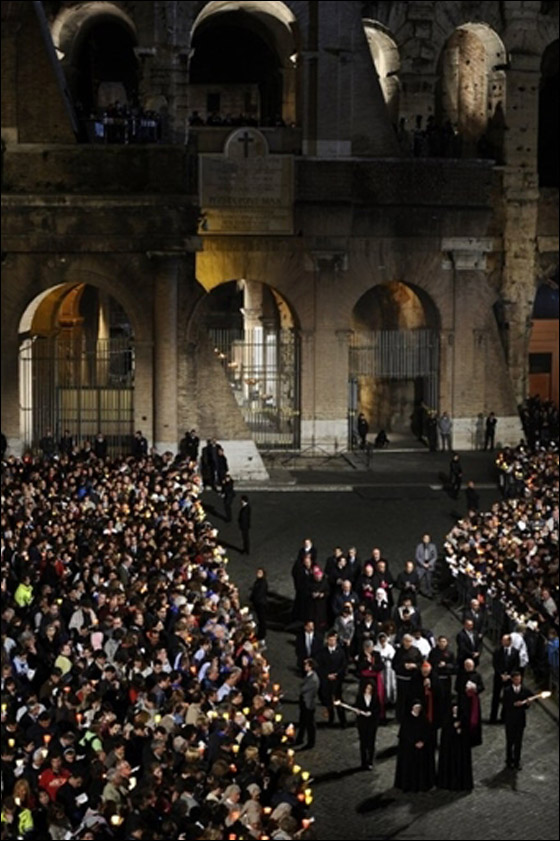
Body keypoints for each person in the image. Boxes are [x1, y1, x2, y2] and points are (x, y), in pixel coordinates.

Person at [394, 700, 436, 792]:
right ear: (412, 708)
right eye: (416, 708)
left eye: (419, 708)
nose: (417, 710)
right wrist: (414, 742)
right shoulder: (407, 719)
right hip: (410, 749)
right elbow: (404, 734)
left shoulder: (423, 719)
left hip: (422, 749)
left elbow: (428, 732)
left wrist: (423, 742)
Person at [437, 699, 473, 791]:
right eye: (454, 709)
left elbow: (467, 732)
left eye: (457, 709)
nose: (455, 711)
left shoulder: (463, 719)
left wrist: (461, 731)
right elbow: (445, 734)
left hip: (460, 749)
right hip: (450, 749)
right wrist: (453, 729)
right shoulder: (447, 719)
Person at [503, 672, 534, 770]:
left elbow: (530, 700)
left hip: (520, 720)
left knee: (518, 742)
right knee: (509, 741)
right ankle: (509, 760)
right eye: (516, 679)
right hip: (510, 720)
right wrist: (513, 704)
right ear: (512, 679)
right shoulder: (507, 691)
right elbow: (505, 704)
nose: (518, 681)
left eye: (519, 679)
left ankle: (517, 761)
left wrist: (527, 704)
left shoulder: (525, 690)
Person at [316, 630, 347, 727]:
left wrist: (337, 674)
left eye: (333, 640)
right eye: (330, 640)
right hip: (327, 680)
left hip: (337, 680)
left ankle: (343, 721)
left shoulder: (340, 652)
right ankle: (331, 720)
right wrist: (326, 675)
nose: (332, 642)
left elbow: (343, 665)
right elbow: (319, 666)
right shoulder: (322, 652)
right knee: (328, 701)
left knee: (339, 700)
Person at [489, 634, 520, 724]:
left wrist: (510, 675)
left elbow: (516, 665)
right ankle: (493, 717)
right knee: (496, 697)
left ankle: (504, 717)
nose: (502, 642)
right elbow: (495, 664)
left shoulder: (515, 652)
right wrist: (501, 674)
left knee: (508, 698)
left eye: (505, 640)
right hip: (499, 677)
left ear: (509, 641)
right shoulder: (498, 651)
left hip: (510, 678)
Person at [455, 658, 485, 747]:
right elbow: (456, 688)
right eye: (467, 666)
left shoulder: (477, 675)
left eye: (470, 666)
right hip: (463, 700)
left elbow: (482, 687)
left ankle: (474, 739)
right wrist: (464, 689)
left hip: (474, 701)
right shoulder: (461, 675)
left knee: (474, 719)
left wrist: (475, 688)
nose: (469, 667)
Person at [295, 658, 320, 751]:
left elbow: (303, 688)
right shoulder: (309, 676)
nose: (304, 667)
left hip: (308, 704)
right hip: (305, 702)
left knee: (310, 724)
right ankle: (300, 738)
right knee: (302, 722)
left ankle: (311, 742)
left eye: (306, 665)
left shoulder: (313, 679)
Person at [354, 680, 380, 770]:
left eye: (370, 689)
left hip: (372, 723)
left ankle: (370, 762)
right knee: (363, 743)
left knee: (371, 743)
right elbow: (356, 707)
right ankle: (363, 762)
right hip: (362, 723)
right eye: (367, 688)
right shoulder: (360, 697)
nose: (368, 690)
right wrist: (357, 711)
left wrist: (371, 713)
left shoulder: (375, 698)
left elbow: (378, 710)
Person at [249, 567, 268, 647]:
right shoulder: (259, 581)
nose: (258, 574)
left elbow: (259, 594)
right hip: (258, 603)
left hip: (261, 603)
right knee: (260, 619)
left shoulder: (262, 583)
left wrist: (254, 599)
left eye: (260, 573)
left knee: (262, 620)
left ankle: (261, 635)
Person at [414, 534, 438, 598]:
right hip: (421, 566)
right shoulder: (419, 546)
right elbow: (417, 557)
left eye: (427, 539)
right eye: (425, 538)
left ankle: (429, 593)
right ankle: (415, 591)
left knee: (429, 580)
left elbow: (435, 557)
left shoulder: (433, 546)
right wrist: (423, 564)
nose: (426, 540)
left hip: (429, 565)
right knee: (418, 579)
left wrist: (429, 564)